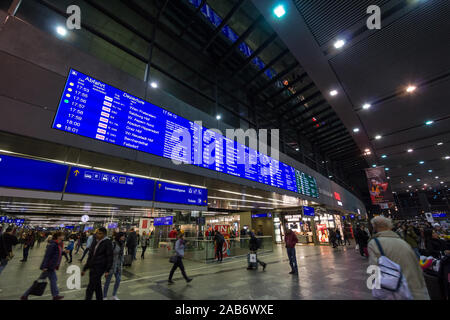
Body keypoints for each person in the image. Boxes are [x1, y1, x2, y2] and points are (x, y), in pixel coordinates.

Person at [368, 216, 430, 300]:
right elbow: (417, 268)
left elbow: (374, 271)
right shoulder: (403, 242)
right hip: (417, 290)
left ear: (374, 227)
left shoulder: (375, 243)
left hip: (397, 291)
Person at [20, 232, 65, 300]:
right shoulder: (53, 244)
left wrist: (64, 252)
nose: (64, 236)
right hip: (49, 266)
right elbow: (47, 256)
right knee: (50, 280)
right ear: (58, 236)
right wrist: (44, 266)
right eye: (62, 235)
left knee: (46, 280)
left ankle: (25, 295)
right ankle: (55, 295)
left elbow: (57, 253)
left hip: (51, 266)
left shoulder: (58, 244)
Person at [82, 227, 113, 300]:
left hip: (100, 268)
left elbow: (110, 256)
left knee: (90, 287)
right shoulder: (95, 241)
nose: (97, 235)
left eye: (100, 233)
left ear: (104, 234)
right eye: (97, 233)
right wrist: (85, 268)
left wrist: (107, 270)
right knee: (97, 286)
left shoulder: (107, 242)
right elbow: (91, 255)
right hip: (93, 267)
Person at [103, 232, 125, 300]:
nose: (124, 238)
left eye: (124, 236)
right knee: (108, 282)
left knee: (118, 280)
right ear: (119, 237)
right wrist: (106, 269)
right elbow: (108, 255)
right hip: (111, 266)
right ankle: (104, 296)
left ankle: (114, 295)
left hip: (118, 266)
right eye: (122, 236)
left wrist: (122, 263)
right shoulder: (113, 244)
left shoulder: (122, 244)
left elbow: (121, 255)